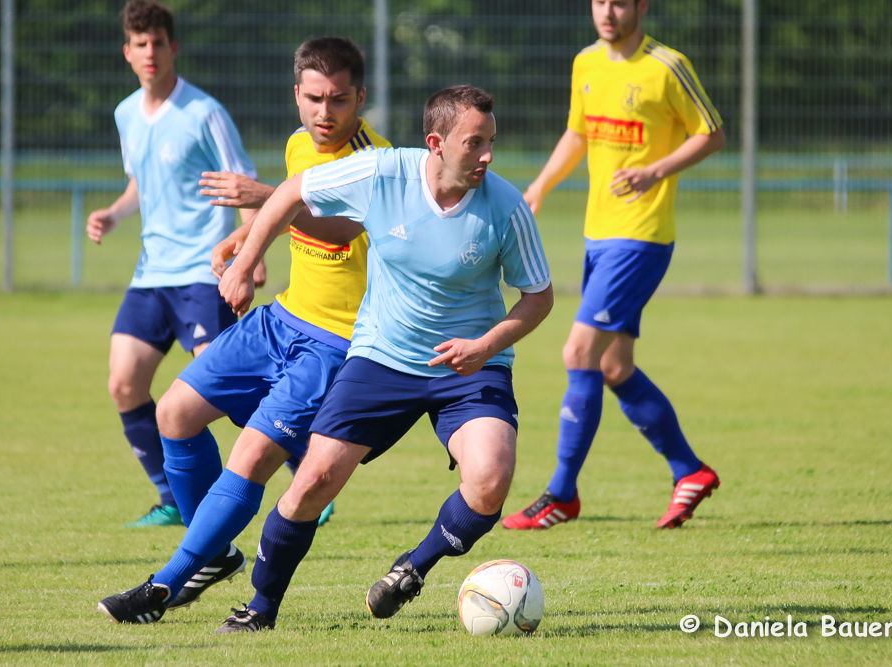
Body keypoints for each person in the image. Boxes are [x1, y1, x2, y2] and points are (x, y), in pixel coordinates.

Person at [98, 85, 554, 633]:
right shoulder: (384, 172)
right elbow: (294, 191)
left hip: (469, 367)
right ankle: (259, 609)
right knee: (311, 480)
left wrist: (486, 346)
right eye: (473, 143)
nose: (486, 156)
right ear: (435, 143)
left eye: (490, 142)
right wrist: (247, 258)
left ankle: (412, 569)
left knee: (490, 480)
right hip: (381, 356)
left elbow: (539, 297)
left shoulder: (505, 207)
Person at [97, 37, 389, 620]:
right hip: (280, 320)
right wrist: (244, 244)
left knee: (250, 458)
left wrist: (267, 199)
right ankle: (216, 553)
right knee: (173, 414)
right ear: (297, 96)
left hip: (335, 344)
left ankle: (164, 586)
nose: (324, 114)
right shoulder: (298, 144)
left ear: (361, 97)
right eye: (313, 99)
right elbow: (288, 217)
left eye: (337, 100)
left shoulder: (374, 160)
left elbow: (340, 230)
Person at [501, 0, 725, 531]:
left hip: (641, 235)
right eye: (600, 1)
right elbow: (578, 134)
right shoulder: (586, 63)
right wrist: (538, 188)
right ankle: (688, 471)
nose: (607, 11)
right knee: (612, 366)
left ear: (641, 6)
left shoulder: (667, 66)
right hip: (598, 234)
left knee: (578, 350)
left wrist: (656, 171)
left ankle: (561, 494)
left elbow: (712, 132)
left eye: (620, 1)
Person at [86, 0, 258, 528]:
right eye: (140, 44)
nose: (150, 52)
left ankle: (306, 467)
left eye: (158, 42)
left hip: (201, 272)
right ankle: (172, 498)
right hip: (151, 274)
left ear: (173, 47)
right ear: (127, 53)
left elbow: (244, 180)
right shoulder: (124, 114)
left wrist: (250, 252)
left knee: (221, 387)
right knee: (124, 384)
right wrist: (115, 213)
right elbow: (141, 180)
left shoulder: (204, 111)